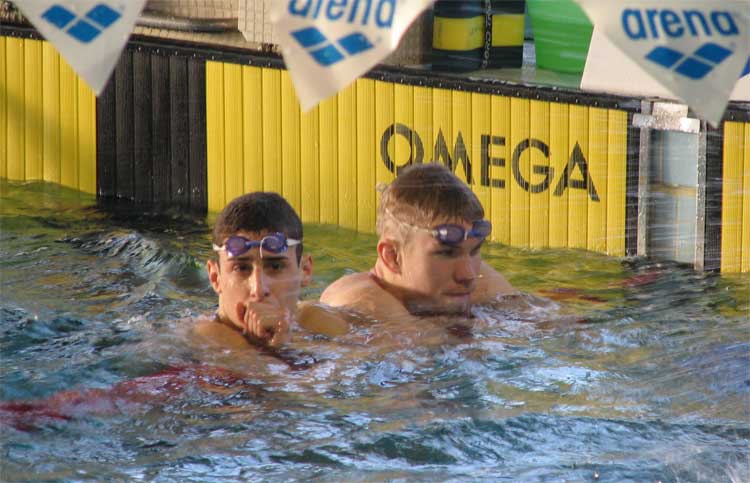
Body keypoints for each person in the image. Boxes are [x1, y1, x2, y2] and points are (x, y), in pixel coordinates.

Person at [321, 163, 516, 323]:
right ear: (392, 256)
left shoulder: (481, 283)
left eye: (474, 250)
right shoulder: (357, 304)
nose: (468, 275)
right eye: (447, 253)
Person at [194, 191, 348, 350]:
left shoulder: (315, 321)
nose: (258, 290)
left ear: (305, 271)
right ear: (215, 278)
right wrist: (279, 348)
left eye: (275, 267)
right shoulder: (203, 339)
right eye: (241, 268)